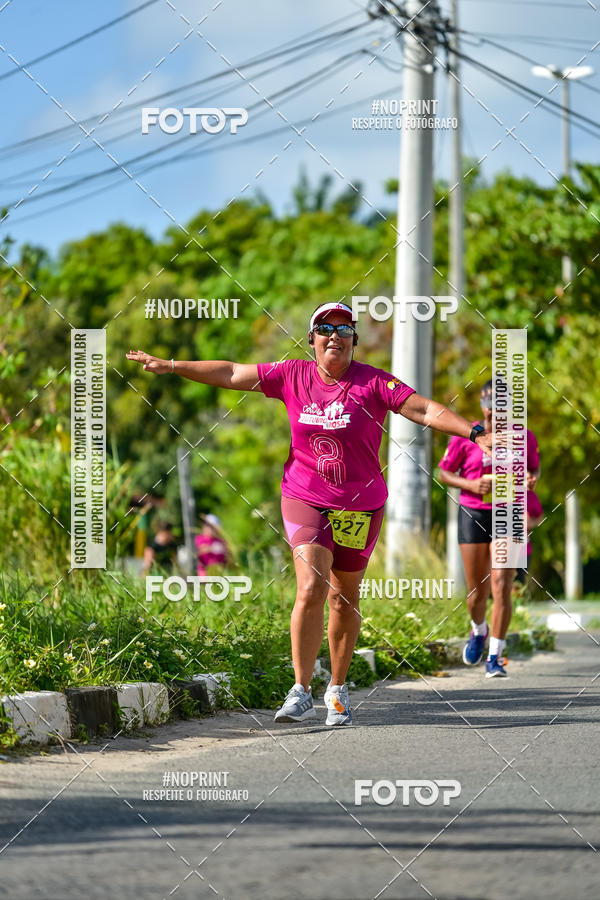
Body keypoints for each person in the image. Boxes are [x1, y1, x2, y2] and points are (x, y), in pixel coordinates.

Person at [127, 301, 494, 724]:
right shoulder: (292, 375)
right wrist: (170, 365)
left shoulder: (373, 383)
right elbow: (230, 372)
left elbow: (424, 409)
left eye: (344, 328)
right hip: (305, 495)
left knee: (344, 597)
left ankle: (337, 689)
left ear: (354, 339)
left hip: (361, 504)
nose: (334, 335)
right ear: (312, 339)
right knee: (311, 587)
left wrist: (474, 431)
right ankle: (300, 689)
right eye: (325, 327)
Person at [438, 380, 540, 678]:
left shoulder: (525, 437)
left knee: (502, 584)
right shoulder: (466, 435)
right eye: (494, 414)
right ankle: (478, 629)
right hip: (473, 512)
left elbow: (534, 467)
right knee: (476, 594)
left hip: (509, 512)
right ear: (484, 409)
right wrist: (470, 484)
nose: (500, 421)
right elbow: (443, 472)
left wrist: (533, 479)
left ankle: (495, 655)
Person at [514, 490, 544, 590]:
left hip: (523, 549)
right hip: (500, 548)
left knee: (518, 584)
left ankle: (517, 604)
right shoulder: (497, 490)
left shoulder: (529, 495)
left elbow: (540, 517)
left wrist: (531, 522)